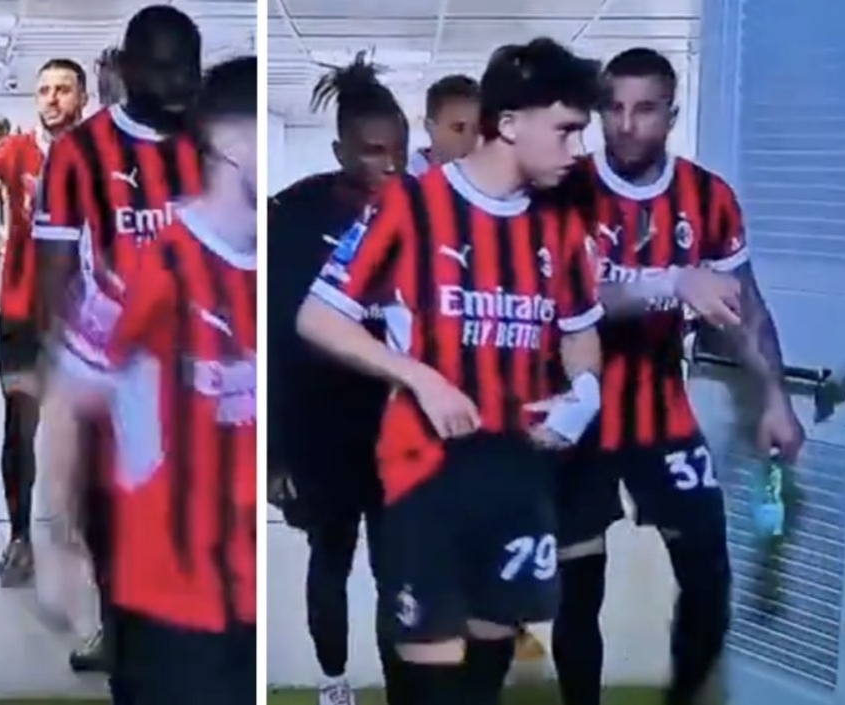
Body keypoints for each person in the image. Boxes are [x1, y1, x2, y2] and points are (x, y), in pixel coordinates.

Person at [296, 37, 605, 705]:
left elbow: (580, 332)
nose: (578, 149)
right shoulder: (409, 207)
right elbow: (317, 318)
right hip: (425, 476)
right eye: (567, 130)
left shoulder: (561, 224)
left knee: (483, 679)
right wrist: (420, 377)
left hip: (518, 473)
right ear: (510, 123)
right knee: (430, 682)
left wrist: (586, 392)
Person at [551, 47, 805, 705]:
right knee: (578, 592)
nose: (625, 123)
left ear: (671, 113)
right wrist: (672, 281)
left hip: (660, 410)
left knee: (709, 577)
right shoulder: (567, 188)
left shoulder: (708, 197)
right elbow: (567, 298)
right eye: (613, 108)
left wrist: (775, 396)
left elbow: (745, 306)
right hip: (578, 408)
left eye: (644, 109)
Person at [56, 53, 257, 705]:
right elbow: (73, 396)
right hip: (171, 586)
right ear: (231, 143)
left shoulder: (274, 268)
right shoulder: (144, 269)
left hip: (250, 580)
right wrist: (65, 537)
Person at [33, 3, 204, 678]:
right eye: (163, 69)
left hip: (199, 377)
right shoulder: (78, 154)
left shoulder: (210, 146)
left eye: (188, 68)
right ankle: (119, 631)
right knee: (112, 522)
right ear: (129, 70)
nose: (179, 83)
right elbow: (53, 274)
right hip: (113, 377)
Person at [267, 54, 409, 705]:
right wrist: (275, 455)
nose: (389, 165)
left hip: (400, 429)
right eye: (373, 151)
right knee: (330, 560)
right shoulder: (296, 216)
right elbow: (276, 336)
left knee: (397, 569)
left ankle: (404, 683)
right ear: (339, 151)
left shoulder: (427, 212)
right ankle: (333, 684)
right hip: (321, 430)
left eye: (398, 150)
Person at [0, 57, 89, 587]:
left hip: (84, 322)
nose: (52, 98)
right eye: (44, 90)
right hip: (21, 316)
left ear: (83, 99)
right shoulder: (15, 151)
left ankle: (80, 528)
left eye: (63, 89)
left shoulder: (99, 156)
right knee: (20, 427)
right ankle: (20, 538)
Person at [407, 74, 479, 175]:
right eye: (458, 128)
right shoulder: (406, 179)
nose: (470, 140)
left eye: (477, 130)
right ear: (430, 127)